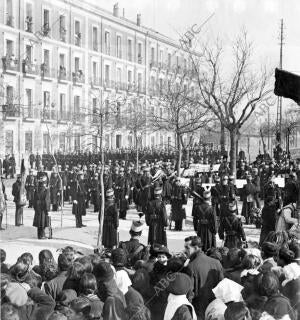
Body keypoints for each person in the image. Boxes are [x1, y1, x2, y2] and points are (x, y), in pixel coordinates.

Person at [185, 236, 224, 319]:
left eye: (187, 248)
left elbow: (190, 294)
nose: (185, 251)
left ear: (195, 248)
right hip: (215, 308)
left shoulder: (191, 266)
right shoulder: (216, 263)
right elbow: (222, 287)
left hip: (199, 310)